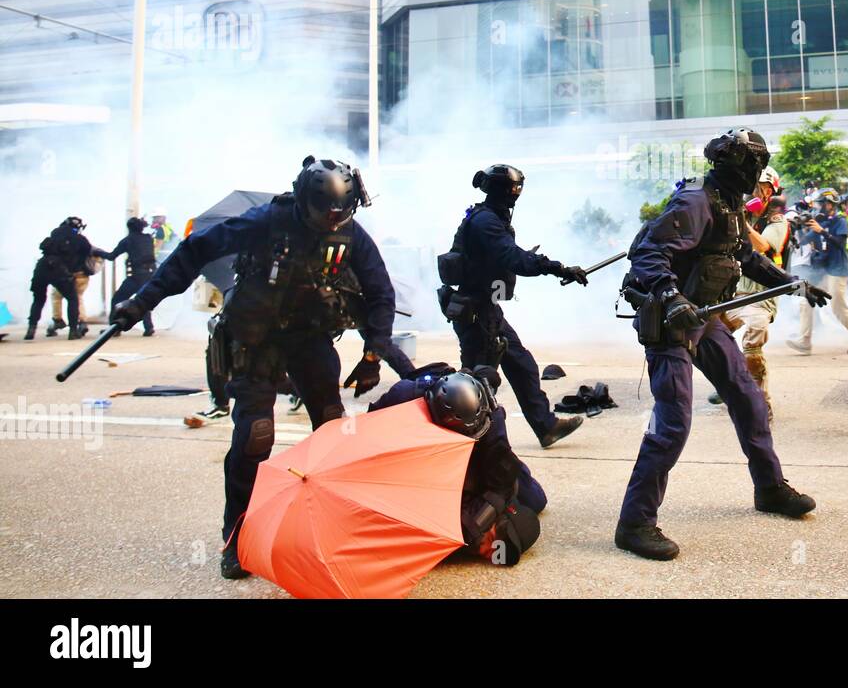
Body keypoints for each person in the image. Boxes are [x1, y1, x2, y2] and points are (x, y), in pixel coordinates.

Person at [109, 156, 417, 579]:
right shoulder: (265, 221)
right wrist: (141, 302)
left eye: (339, 214)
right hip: (257, 341)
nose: (332, 222)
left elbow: (381, 294)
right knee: (255, 436)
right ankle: (237, 536)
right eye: (324, 213)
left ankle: (331, 524)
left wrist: (371, 357)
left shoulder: (350, 233)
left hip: (310, 341)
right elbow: (194, 252)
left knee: (332, 428)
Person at [616, 128, 825, 561]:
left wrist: (792, 283)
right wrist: (672, 299)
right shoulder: (696, 201)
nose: (757, 172)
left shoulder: (730, 205)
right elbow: (650, 255)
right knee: (672, 423)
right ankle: (635, 523)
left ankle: (769, 488)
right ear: (734, 164)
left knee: (747, 398)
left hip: (706, 317)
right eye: (753, 163)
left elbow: (744, 257)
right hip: (672, 321)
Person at [438, 164, 587, 449]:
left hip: (487, 308)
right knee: (475, 384)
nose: (516, 194)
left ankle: (545, 426)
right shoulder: (485, 222)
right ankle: (460, 443)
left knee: (521, 365)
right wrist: (557, 268)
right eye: (513, 188)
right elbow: (512, 257)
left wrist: (554, 268)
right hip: (477, 312)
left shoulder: (489, 217)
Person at [370, 366, 545, 566]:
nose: (492, 551)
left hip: (478, 455)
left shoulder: (492, 422)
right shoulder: (404, 396)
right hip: (425, 452)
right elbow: (369, 434)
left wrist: (475, 526)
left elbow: (501, 485)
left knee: (535, 499)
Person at [709, 170, 790, 418]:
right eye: (753, 186)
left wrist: (739, 222)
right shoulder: (740, 213)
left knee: (752, 346)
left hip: (760, 296)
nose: (755, 190)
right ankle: (728, 384)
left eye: (761, 187)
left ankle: (760, 406)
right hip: (732, 294)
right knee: (710, 338)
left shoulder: (776, 222)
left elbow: (763, 246)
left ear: (770, 191)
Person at [786, 189, 848, 356]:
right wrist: (797, 229)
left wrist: (822, 231)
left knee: (838, 307)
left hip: (837, 269)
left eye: (820, 203)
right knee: (806, 299)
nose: (818, 207)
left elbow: (840, 244)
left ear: (830, 204)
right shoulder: (820, 221)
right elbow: (804, 241)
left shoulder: (840, 221)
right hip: (821, 268)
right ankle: (805, 341)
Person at [25, 217, 90, 341]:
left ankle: (31, 329)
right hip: (60, 270)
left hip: (42, 266)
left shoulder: (54, 233)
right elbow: (85, 255)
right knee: (72, 299)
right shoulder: (80, 239)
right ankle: (73, 331)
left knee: (38, 299)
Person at [94, 217, 156, 336]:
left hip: (136, 276)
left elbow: (112, 256)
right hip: (150, 275)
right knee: (143, 300)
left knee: (117, 299)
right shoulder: (148, 238)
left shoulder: (127, 241)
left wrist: (97, 252)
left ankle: (114, 328)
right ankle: (149, 327)